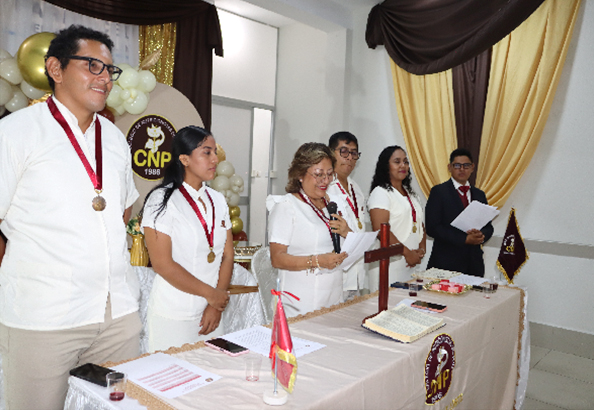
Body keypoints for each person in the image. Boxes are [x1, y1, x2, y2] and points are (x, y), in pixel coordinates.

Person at [0, 25, 141, 410]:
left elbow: (121, 208)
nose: (104, 78)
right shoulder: (15, 133)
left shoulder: (113, 139)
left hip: (117, 315)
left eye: (110, 70)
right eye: (92, 65)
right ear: (55, 69)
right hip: (45, 316)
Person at [141, 126, 232, 352]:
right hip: (174, 314)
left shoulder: (218, 200)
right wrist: (212, 295)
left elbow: (228, 255)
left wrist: (215, 306)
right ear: (184, 159)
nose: (215, 159)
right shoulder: (161, 200)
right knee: (171, 382)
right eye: (206, 152)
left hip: (210, 314)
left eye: (215, 152)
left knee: (212, 380)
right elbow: (163, 264)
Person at [267, 142, 349, 317]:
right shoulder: (287, 206)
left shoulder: (330, 205)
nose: (325, 181)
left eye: (329, 174)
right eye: (318, 174)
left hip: (333, 296)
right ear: (300, 174)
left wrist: (347, 232)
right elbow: (277, 258)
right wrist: (317, 261)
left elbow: (344, 248)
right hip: (300, 302)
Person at [425, 148, 494, 277]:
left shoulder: (479, 194)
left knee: (473, 297)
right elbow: (432, 227)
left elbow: (488, 226)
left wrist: (481, 235)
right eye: (457, 165)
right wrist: (464, 239)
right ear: (449, 167)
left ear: (473, 167)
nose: (462, 169)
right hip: (445, 263)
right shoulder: (439, 192)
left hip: (474, 263)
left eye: (466, 165)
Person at [367, 146, 426, 288]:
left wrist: (421, 249)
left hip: (411, 262)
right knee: (388, 308)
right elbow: (381, 230)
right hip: (390, 264)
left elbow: (420, 224)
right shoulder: (380, 192)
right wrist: (407, 253)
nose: (403, 165)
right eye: (397, 161)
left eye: (405, 162)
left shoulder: (411, 194)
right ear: (386, 166)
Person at [326, 131, 367, 300]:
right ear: (330, 153)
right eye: (344, 151)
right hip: (335, 274)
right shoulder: (325, 187)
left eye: (354, 153)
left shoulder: (356, 189)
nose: (350, 157)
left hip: (356, 274)